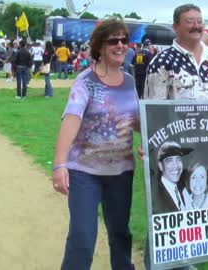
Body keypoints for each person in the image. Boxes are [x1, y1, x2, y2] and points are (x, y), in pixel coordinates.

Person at [143, 4, 208, 269]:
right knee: (167, 212)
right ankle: (158, 264)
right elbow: (153, 111)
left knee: (198, 211)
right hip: (177, 154)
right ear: (176, 26)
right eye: (190, 21)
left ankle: (186, 261)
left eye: (200, 21)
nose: (197, 26)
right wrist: (152, 148)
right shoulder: (162, 62)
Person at [52, 19, 140, 270]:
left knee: (120, 233)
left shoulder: (130, 81)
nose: (121, 45)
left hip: (121, 172)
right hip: (84, 172)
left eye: (124, 40)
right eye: (114, 40)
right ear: (100, 46)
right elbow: (72, 119)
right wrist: (59, 165)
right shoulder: (86, 81)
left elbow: (135, 121)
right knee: (83, 237)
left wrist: (149, 141)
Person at [153, 141, 192, 213]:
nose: (176, 165)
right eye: (169, 160)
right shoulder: (155, 195)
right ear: (161, 166)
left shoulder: (181, 190)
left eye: (178, 159)